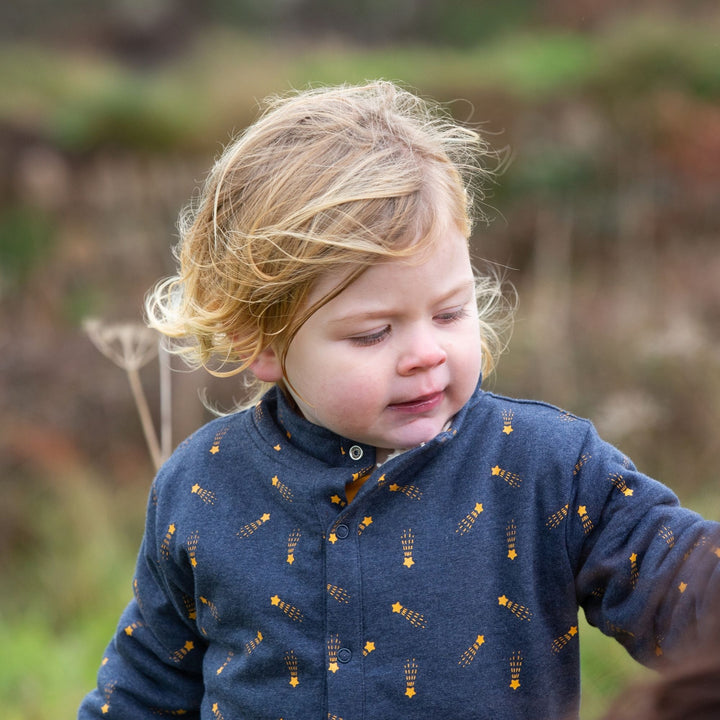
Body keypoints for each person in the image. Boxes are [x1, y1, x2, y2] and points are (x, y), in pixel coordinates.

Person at [78, 81, 720, 720]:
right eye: (373, 333)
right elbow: (146, 686)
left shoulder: (546, 467)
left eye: (449, 313)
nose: (424, 354)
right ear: (261, 341)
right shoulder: (203, 483)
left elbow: (684, 589)